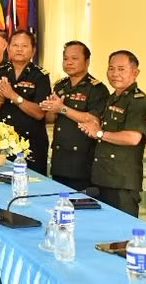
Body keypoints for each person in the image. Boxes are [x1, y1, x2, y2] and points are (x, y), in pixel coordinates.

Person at [77, 51, 146, 216]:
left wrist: (99, 134)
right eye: (111, 68)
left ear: (135, 72)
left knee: (122, 228)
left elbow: (133, 138)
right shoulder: (113, 98)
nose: (115, 73)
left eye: (121, 69)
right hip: (104, 176)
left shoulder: (138, 101)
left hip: (121, 181)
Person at [40, 41, 109, 190]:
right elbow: (50, 119)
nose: (69, 62)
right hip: (60, 158)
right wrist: (51, 109)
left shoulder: (97, 89)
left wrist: (62, 109)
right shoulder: (60, 85)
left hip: (82, 161)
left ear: (87, 61)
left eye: (74, 58)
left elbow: (93, 119)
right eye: (65, 58)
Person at [0, 30, 51, 174]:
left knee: (33, 184)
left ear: (33, 50)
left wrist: (13, 96)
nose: (19, 49)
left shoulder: (40, 76)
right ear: (8, 48)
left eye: (24, 46)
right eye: (15, 45)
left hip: (31, 145)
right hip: (1, 143)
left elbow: (39, 113)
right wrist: (1, 97)